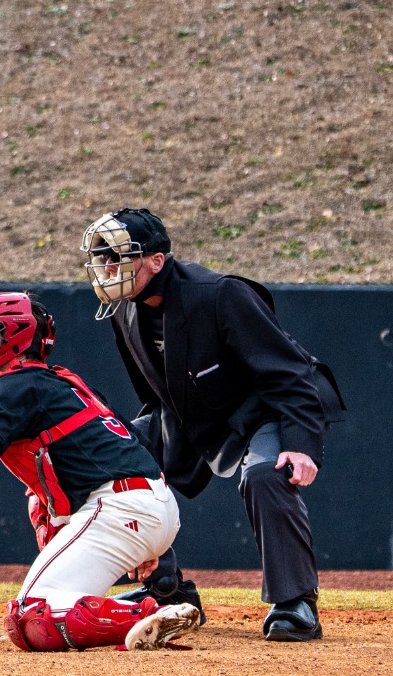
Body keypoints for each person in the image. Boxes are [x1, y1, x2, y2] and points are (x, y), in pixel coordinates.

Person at [81, 209, 346, 643]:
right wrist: (138, 453)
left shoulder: (221, 295)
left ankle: (296, 603)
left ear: (156, 261)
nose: (108, 268)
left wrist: (301, 443)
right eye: (102, 258)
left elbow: (291, 372)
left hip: (264, 407)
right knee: (111, 461)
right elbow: (156, 394)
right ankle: (167, 591)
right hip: (192, 413)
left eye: (119, 257)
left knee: (266, 473)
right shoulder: (123, 311)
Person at [0, 292, 199, 653]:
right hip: (145, 505)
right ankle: (149, 605)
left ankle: (149, 614)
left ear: (15, 336)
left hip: (119, 508)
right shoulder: (59, 382)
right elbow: (135, 442)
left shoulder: (18, 383)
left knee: (32, 615)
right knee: (40, 501)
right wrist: (149, 539)